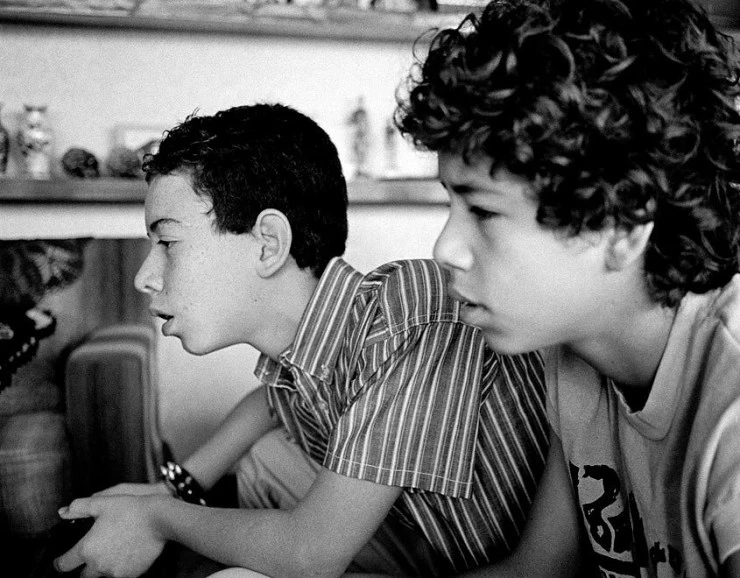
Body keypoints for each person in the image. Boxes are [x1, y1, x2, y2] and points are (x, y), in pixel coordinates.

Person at [53, 103, 548, 578]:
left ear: (269, 243)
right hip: (432, 543)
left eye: (167, 242)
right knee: (265, 460)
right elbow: (270, 402)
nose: (144, 277)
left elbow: (311, 555)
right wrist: (177, 487)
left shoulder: (409, 313)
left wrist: (158, 518)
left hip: (509, 564)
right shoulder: (308, 357)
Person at [394, 0, 740, 576]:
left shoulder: (731, 408)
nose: (445, 249)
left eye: (483, 211)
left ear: (622, 227)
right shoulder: (577, 357)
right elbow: (536, 570)